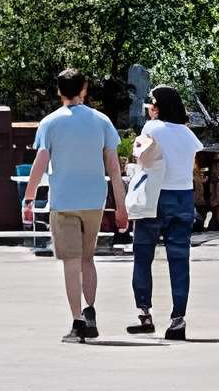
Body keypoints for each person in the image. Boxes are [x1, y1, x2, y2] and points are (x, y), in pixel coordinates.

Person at [27, 66, 125, 343]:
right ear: (84, 89)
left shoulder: (50, 123)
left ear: (59, 91)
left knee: (70, 262)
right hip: (94, 200)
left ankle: (77, 321)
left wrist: (29, 196)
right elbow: (114, 168)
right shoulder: (102, 121)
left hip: (64, 201)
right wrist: (121, 206)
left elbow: (40, 163)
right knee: (87, 259)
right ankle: (90, 309)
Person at [125, 85, 202, 342]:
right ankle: (178, 319)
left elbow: (141, 157)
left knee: (143, 253)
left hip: (155, 197)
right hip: (183, 197)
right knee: (179, 259)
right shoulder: (188, 135)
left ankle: (145, 314)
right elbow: (191, 166)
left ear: (158, 107)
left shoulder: (152, 128)